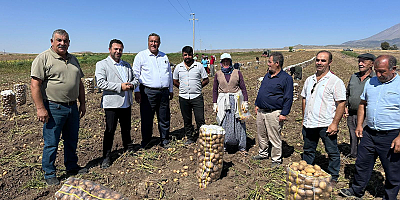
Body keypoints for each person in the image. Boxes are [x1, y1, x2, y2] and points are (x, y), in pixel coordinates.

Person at [30, 29, 87, 185]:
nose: (62, 43)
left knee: (71, 140)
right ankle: (49, 173)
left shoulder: (73, 59)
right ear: (52, 41)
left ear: (69, 43)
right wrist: (40, 108)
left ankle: (71, 167)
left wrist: (82, 103)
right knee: (52, 142)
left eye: (65, 40)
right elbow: (35, 85)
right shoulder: (43, 58)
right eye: (59, 40)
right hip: (53, 107)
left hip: (72, 107)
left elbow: (79, 83)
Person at [340, 55, 400, 200]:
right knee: (362, 164)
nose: (378, 75)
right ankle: (356, 190)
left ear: (393, 69)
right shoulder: (371, 82)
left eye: (382, 71)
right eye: (376, 71)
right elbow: (362, 104)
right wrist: (360, 125)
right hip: (369, 132)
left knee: (392, 170)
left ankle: (389, 197)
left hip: (391, 135)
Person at [301, 50, 346, 185]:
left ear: (330, 62)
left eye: (323, 60)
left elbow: (341, 103)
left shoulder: (335, 81)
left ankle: (333, 176)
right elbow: (304, 99)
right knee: (308, 149)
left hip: (326, 123)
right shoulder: (310, 80)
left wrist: (335, 123)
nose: (319, 63)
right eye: (318, 60)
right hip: (309, 123)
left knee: (332, 151)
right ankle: (306, 172)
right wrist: (304, 117)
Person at [95, 39, 139, 168]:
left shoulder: (126, 65)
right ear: (110, 50)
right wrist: (120, 86)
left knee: (126, 128)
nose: (118, 52)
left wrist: (132, 85)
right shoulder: (102, 64)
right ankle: (106, 156)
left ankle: (128, 147)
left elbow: (135, 79)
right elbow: (100, 83)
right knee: (110, 130)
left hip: (126, 102)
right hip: (112, 104)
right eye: (115, 49)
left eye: (120, 49)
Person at [253, 52, 293, 168]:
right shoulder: (267, 75)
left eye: (270, 62)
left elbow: (288, 97)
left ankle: (276, 159)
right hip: (261, 111)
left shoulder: (286, 78)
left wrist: (284, 113)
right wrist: (257, 104)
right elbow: (262, 91)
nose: (268, 64)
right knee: (262, 135)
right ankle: (263, 153)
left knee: (274, 137)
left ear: (277, 63)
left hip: (274, 112)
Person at [133, 33, 173, 149]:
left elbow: (169, 74)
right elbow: (136, 74)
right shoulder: (141, 56)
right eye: (151, 41)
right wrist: (137, 91)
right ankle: (146, 141)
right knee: (147, 117)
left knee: (164, 117)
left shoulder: (164, 57)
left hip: (164, 92)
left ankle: (165, 139)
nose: (153, 44)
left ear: (159, 43)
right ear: (148, 42)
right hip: (148, 92)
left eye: (156, 41)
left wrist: (170, 89)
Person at [213, 53, 249, 155]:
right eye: (223, 61)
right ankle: (223, 146)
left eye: (227, 61)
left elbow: (243, 88)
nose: (226, 63)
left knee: (239, 123)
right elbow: (215, 90)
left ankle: (241, 146)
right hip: (223, 102)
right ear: (221, 63)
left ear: (230, 62)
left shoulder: (237, 73)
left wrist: (245, 101)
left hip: (236, 101)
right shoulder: (218, 74)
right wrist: (214, 103)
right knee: (223, 122)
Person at [173, 46, 209, 144]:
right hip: (183, 97)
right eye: (185, 55)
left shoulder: (199, 66)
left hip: (196, 97)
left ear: (192, 55)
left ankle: (203, 137)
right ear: (182, 55)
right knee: (187, 119)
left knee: (200, 119)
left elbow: (206, 80)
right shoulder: (178, 67)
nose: (187, 57)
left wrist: (199, 86)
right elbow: (174, 81)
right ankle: (189, 137)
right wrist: (181, 88)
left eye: (189, 55)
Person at [344, 53, 376, 158]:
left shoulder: (375, 79)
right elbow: (348, 92)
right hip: (352, 112)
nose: (360, 64)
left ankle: (365, 156)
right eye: (359, 61)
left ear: (371, 64)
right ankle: (353, 154)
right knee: (353, 134)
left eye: (363, 61)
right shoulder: (354, 76)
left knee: (364, 135)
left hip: (367, 114)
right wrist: (345, 106)